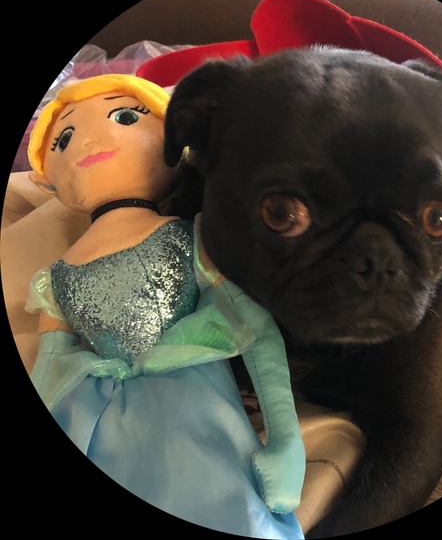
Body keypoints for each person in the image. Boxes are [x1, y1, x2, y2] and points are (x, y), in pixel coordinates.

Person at [26, 74, 305, 539]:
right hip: (92, 415)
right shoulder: (53, 277)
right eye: (65, 138)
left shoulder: (192, 236)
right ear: (45, 181)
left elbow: (254, 327)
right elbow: (49, 364)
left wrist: (286, 441)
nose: (90, 140)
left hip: (194, 412)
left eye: (126, 117)